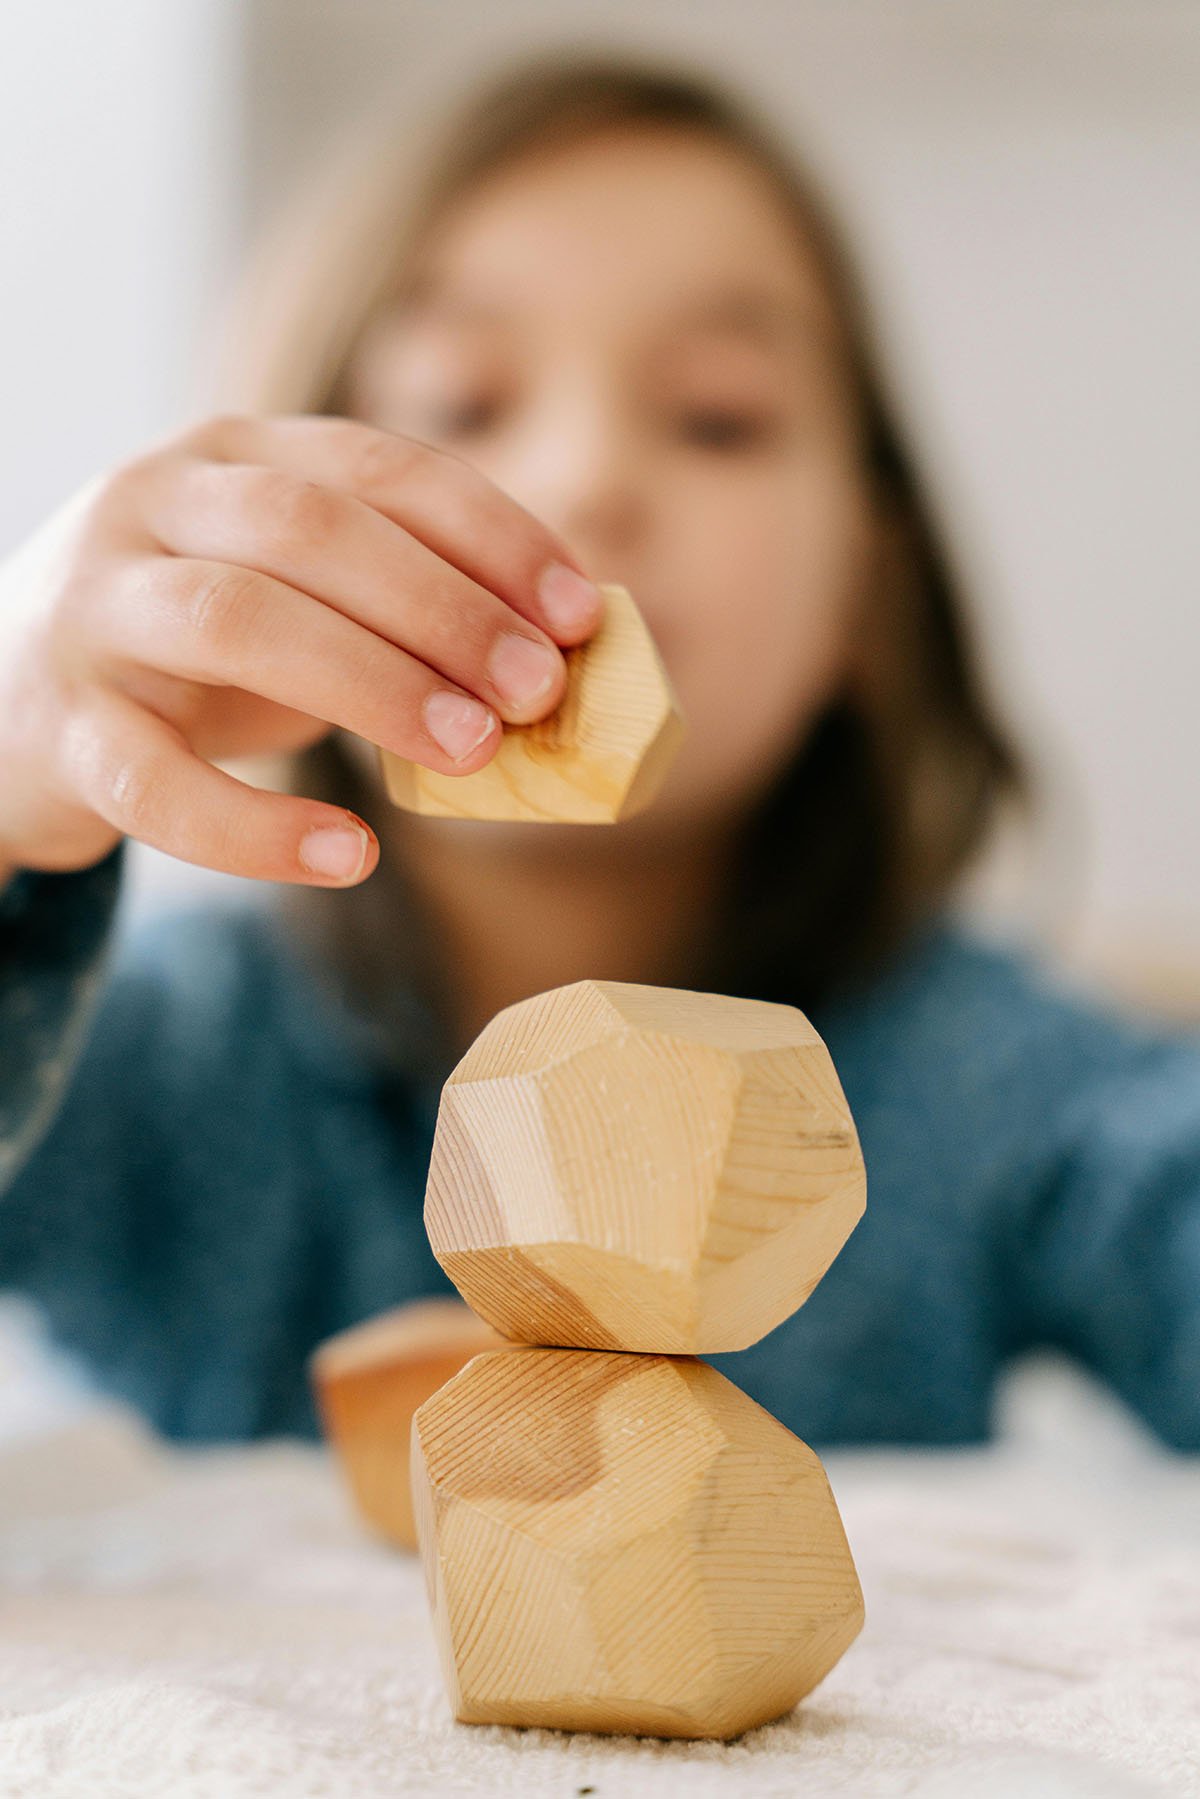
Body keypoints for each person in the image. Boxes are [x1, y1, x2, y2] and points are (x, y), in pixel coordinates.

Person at [1, 51, 1197, 1450]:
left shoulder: (983, 1080)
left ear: (866, 598)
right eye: (463, 401)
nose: (587, 478)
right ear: (269, 556)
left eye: (719, 416)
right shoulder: (151, 1056)